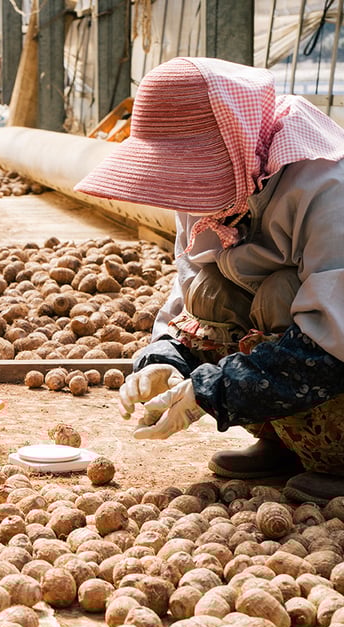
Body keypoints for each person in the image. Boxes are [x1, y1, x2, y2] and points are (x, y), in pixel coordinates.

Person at [74, 56, 344, 504]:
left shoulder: (327, 185)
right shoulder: (213, 189)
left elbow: (333, 339)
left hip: (335, 346)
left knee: (281, 295)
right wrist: (165, 360)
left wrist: (212, 392)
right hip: (310, 353)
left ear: (235, 146)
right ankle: (287, 441)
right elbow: (186, 294)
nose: (187, 188)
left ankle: (336, 456)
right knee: (210, 292)